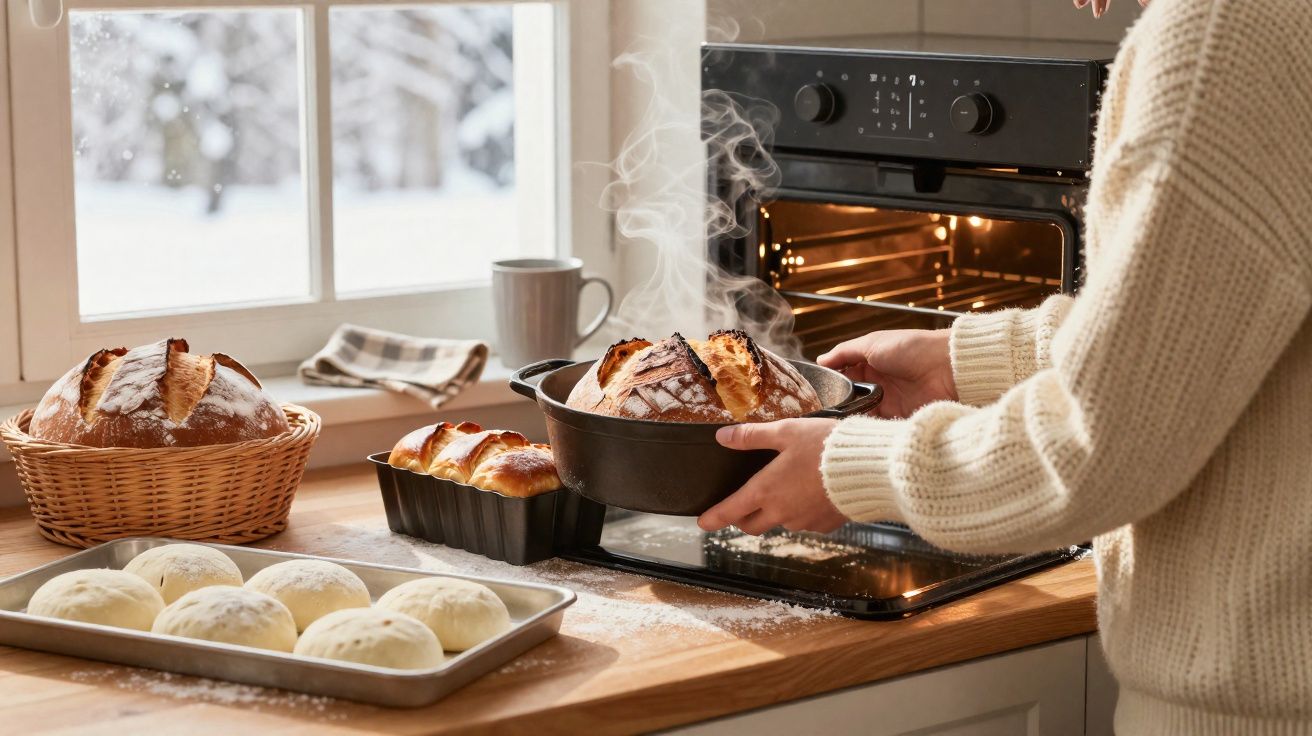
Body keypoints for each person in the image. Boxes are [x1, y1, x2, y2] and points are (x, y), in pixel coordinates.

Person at [698, 0, 1312, 732]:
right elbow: (1216, 322)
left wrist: (855, 467)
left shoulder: (1228, 36)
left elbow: (1097, 447)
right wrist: (966, 358)